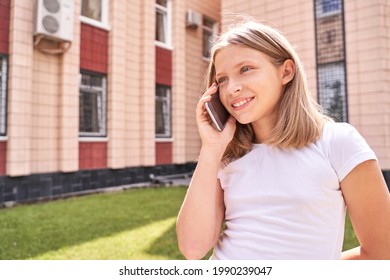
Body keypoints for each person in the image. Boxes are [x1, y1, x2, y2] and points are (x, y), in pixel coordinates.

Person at [176, 18, 390, 260]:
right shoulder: (224, 157)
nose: (231, 88)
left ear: (286, 72)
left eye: (245, 69)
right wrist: (211, 150)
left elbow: (382, 253)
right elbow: (192, 248)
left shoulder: (338, 142)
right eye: (222, 79)